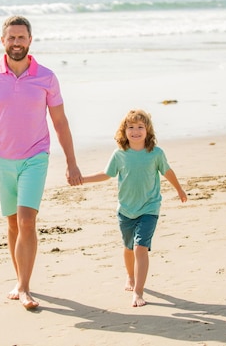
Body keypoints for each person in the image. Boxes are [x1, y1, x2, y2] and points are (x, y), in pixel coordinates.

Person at [0, 15, 83, 310]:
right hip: (1, 159)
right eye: (11, 38)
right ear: (3, 41)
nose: (16, 42)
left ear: (30, 40)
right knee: (12, 223)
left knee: (26, 220)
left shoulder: (46, 77)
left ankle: (24, 287)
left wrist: (71, 163)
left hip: (35, 156)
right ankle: (19, 279)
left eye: (21, 37)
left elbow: (60, 122)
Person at [82, 109, 187, 307]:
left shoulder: (155, 153)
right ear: (124, 131)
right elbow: (106, 174)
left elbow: (167, 171)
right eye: (131, 127)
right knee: (129, 247)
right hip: (126, 210)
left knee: (140, 248)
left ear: (148, 131)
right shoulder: (120, 155)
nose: (136, 131)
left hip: (149, 208)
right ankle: (130, 276)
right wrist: (83, 180)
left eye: (140, 127)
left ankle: (138, 292)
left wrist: (179, 189)